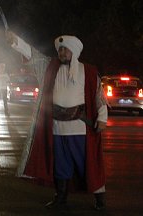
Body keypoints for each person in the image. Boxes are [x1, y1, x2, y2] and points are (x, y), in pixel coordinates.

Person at [8, 32, 108, 210]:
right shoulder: (49, 67)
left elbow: (99, 97)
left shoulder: (89, 71)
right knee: (61, 165)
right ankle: (60, 198)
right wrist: (16, 41)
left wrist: (102, 118)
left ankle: (100, 200)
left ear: (74, 52)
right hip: (57, 128)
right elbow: (33, 55)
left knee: (89, 165)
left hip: (80, 128)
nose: (61, 53)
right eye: (60, 50)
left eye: (65, 50)